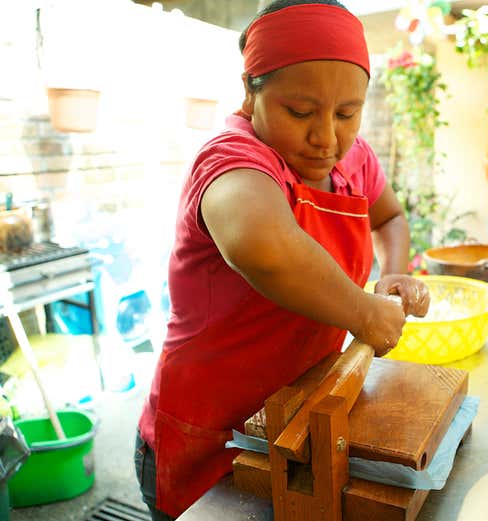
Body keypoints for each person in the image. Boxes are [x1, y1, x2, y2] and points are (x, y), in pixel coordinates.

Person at [134, 1, 430, 518]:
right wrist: (365, 313)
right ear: (251, 90)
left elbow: (389, 218)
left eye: (346, 113)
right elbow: (264, 249)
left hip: (293, 418)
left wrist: (396, 271)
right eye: (301, 112)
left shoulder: (353, 158)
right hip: (208, 437)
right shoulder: (232, 160)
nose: (326, 137)